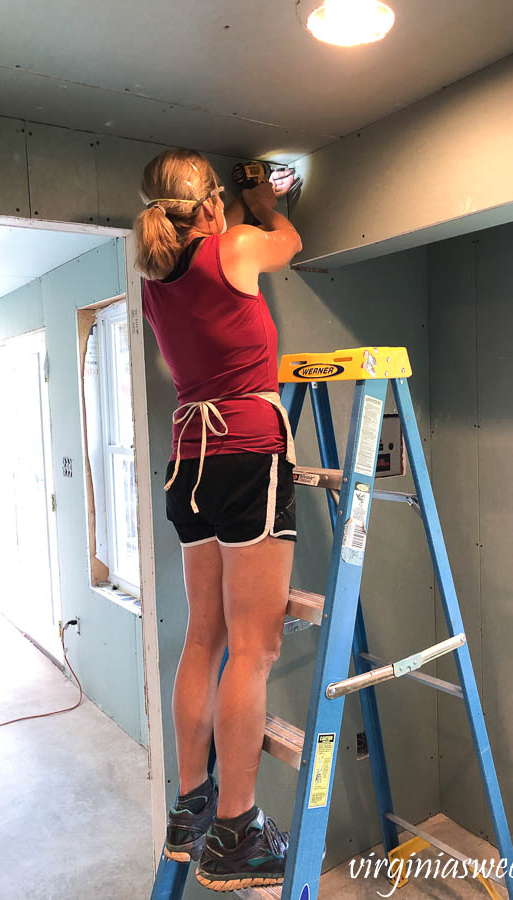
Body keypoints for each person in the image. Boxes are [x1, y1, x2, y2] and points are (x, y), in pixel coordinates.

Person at [134, 148, 302, 891]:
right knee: (253, 650)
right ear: (209, 207)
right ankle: (237, 831)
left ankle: (193, 803)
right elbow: (288, 244)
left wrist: (231, 207)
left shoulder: (154, 284)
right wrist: (268, 201)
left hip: (188, 464)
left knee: (203, 636)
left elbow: (196, 341)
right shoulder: (235, 246)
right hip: (244, 458)